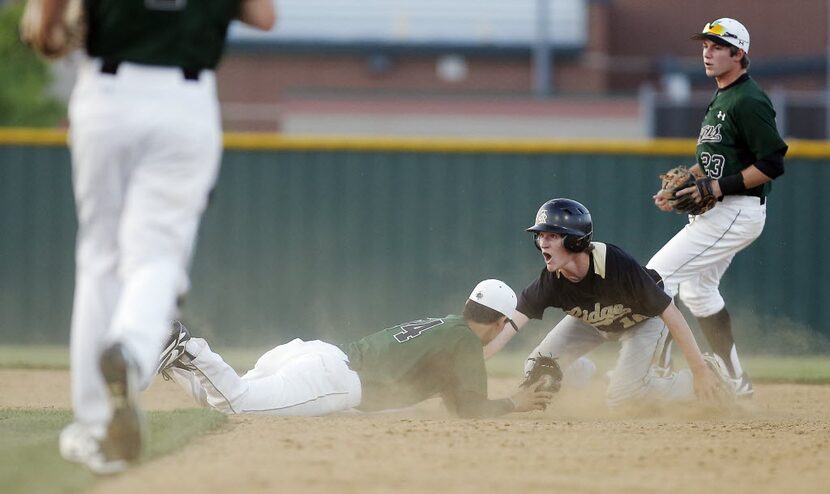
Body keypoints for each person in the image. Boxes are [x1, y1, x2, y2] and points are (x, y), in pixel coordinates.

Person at [34, 0, 277, 475]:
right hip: (185, 98)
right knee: (158, 255)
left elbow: (48, 23)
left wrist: (47, 22)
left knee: (100, 256)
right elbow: (264, 16)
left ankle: (95, 425)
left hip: (107, 89)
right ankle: (132, 348)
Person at [156, 280, 553, 418]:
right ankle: (188, 346)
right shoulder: (464, 341)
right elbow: (468, 409)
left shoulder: (449, 327)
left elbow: (452, 397)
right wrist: (514, 402)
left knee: (221, 400)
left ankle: (177, 361)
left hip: (313, 355)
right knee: (238, 403)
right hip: (332, 379)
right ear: (499, 322)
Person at [647, 18, 788, 398]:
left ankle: (655, 373)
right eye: (705, 45)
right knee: (698, 294)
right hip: (723, 209)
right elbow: (720, 158)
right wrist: (686, 182)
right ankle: (736, 383)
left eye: (717, 46)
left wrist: (716, 186)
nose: (707, 52)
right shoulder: (723, 95)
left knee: (655, 278)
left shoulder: (749, 99)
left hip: (736, 210)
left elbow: (773, 163)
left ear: (738, 54)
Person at [483, 198, 735, 409]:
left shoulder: (616, 265)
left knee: (623, 397)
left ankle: (702, 378)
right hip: (593, 321)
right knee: (538, 366)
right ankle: (581, 372)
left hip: (643, 321)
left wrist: (699, 370)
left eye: (552, 235)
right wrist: (475, 359)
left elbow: (670, 313)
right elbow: (510, 326)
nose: (543, 243)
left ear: (575, 240)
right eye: (540, 236)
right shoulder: (551, 281)